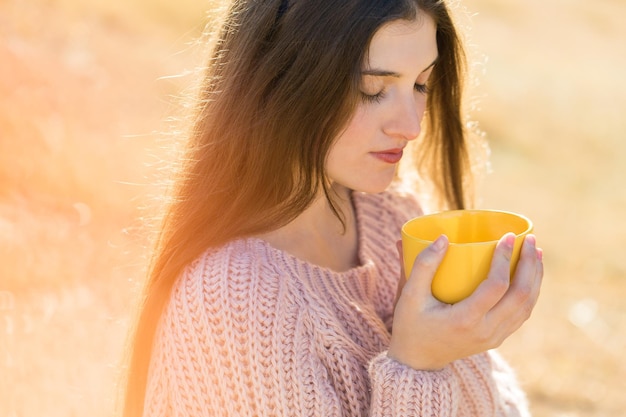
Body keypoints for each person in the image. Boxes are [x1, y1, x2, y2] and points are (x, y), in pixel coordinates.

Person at [121, 0, 544, 416]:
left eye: (420, 85)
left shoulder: (393, 218)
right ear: (281, 81)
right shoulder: (230, 300)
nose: (412, 126)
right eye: (373, 90)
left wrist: (467, 342)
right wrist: (419, 367)